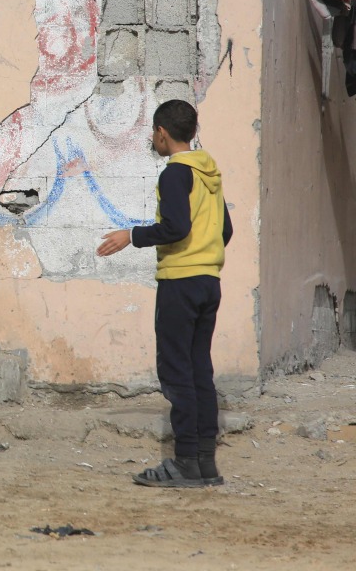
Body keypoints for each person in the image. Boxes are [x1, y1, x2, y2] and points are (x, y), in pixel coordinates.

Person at [97, 99, 233, 488]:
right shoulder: (209, 172)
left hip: (180, 282)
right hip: (209, 281)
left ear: (161, 133)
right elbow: (225, 231)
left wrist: (132, 235)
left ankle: (184, 462)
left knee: (176, 372)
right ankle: (205, 463)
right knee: (199, 369)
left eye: (153, 134)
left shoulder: (174, 175)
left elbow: (175, 228)